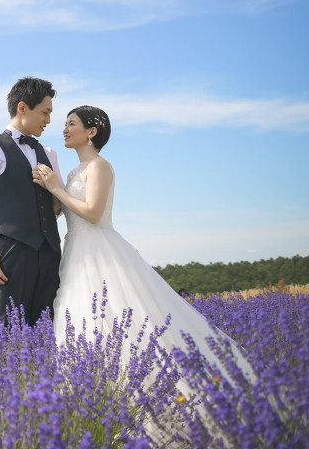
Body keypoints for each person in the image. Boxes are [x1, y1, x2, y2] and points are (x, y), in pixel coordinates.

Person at [32, 106, 253, 376]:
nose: (64, 129)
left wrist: (56, 189)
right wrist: (51, 191)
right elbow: (68, 209)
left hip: (100, 250)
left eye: (71, 124)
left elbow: (92, 213)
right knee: (79, 316)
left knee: (117, 317)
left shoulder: (100, 166)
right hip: (75, 253)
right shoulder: (73, 173)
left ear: (92, 132)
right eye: (65, 124)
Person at [0, 76, 64, 326]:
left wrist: (52, 188)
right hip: (12, 253)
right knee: (11, 331)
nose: (48, 120)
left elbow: (57, 208)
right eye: (44, 112)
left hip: (51, 253)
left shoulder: (49, 153)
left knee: (49, 330)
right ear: (22, 107)